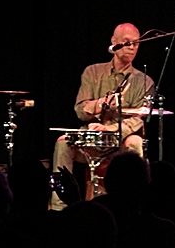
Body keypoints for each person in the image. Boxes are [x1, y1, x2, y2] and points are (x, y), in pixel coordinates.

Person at [52, 23, 155, 205]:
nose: (132, 47)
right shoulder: (92, 72)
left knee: (135, 143)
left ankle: (137, 203)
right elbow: (80, 111)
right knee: (62, 143)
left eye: (136, 44)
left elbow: (138, 120)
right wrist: (101, 104)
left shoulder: (144, 81)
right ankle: (59, 207)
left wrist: (109, 129)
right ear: (113, 43)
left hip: (122, 141)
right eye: (126, 42)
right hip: (93, 140)